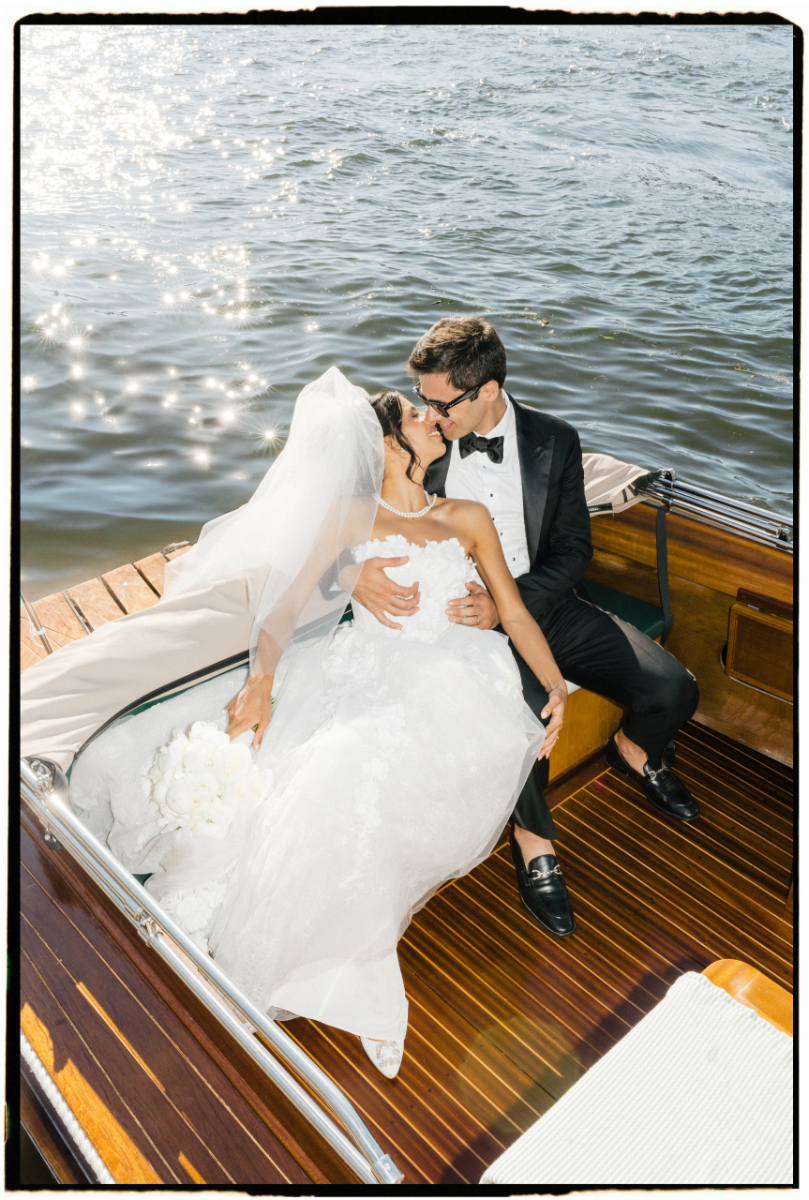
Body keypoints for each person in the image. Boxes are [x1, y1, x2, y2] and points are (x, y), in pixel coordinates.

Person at [68, 367, 568, 1080]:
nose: (433, 418)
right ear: (388, 443)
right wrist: (262, 683)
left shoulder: (465, 517)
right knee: (329, 766)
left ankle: (322, 938)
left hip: (450, 674)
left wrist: (556, 686)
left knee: (349, 767)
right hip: (360, 669)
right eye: (417, 415)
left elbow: (512, 611)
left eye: (432, 411)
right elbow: (281, 608)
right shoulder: (349, 517)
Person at [350, 317, 700, 939]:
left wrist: (505, 602)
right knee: (524, 715)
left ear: (486, 390)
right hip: (460, 625)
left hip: (548, 606)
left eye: (441, 403)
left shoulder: (555, 440)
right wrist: (349, 575)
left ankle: (634, 750)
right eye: (423, 401)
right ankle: (536, 845)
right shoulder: (419, 446)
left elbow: (573, 551)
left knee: (675, 690)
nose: (431, 415)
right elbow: (335, 514)